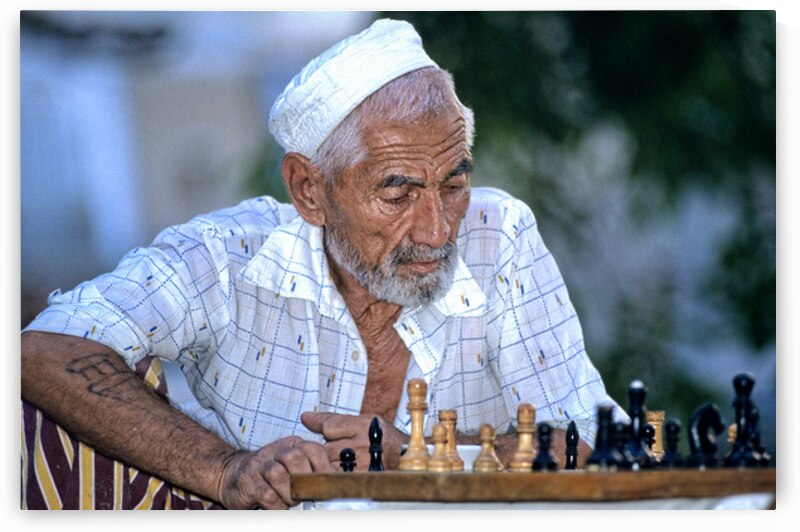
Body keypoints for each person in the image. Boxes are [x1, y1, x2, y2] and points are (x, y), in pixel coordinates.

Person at [21, 18, 626, 510]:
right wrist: (226, 470)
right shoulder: (228, 259)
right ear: (310, 190)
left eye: (454, 181)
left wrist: (414, 453)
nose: (438, 229)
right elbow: (44, 349)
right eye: (397, 192)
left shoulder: (501, 239)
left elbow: (604, 443)